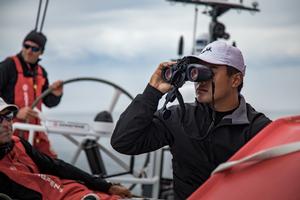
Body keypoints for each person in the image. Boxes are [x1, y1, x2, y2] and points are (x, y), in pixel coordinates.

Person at [111, 40, 272, 199]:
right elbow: (124, 142)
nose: (200, 80)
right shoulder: (178, 117)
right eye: (197, 71)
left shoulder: (259, 129)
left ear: (235, 80)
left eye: (211, 72)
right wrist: (152, 92)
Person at [0, 97, 132, 200]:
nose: (7, 124)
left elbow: (56, 166)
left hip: (74, 192)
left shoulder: (18, 143)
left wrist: (106, 186)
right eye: (0, 119)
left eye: (9, 116)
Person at [0, 30, 63, 157]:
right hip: (12, 131)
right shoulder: (8, 66)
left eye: (34, 48)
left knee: (52, 162)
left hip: (36, 133)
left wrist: (56, 94)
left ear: (41, 52)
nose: (29, 51)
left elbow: (49, 102)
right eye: (26, 46)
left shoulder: (42, 72)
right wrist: (17, 113)